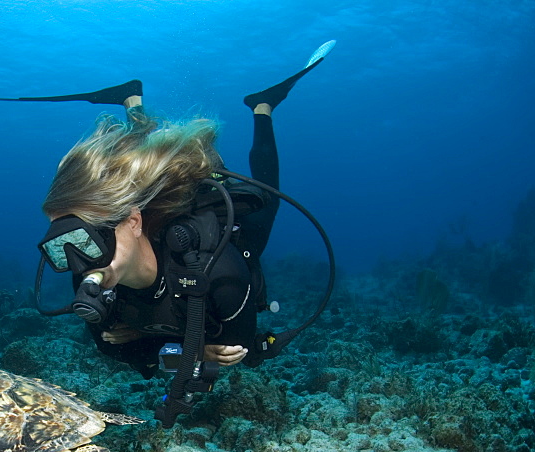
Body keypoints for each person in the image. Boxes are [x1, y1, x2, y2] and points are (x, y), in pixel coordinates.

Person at [37, 57, 326, 380]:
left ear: (134, 221)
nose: (81, 263)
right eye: (64, 244)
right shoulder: (92, 270)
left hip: (226, 234)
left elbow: (236, 346)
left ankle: (263, 107)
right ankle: (133, 102)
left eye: (89, 236)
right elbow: (110, 349)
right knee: (129, 179)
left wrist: (150, 339)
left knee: (267, 199)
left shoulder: (213, 268)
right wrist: (192, 349)